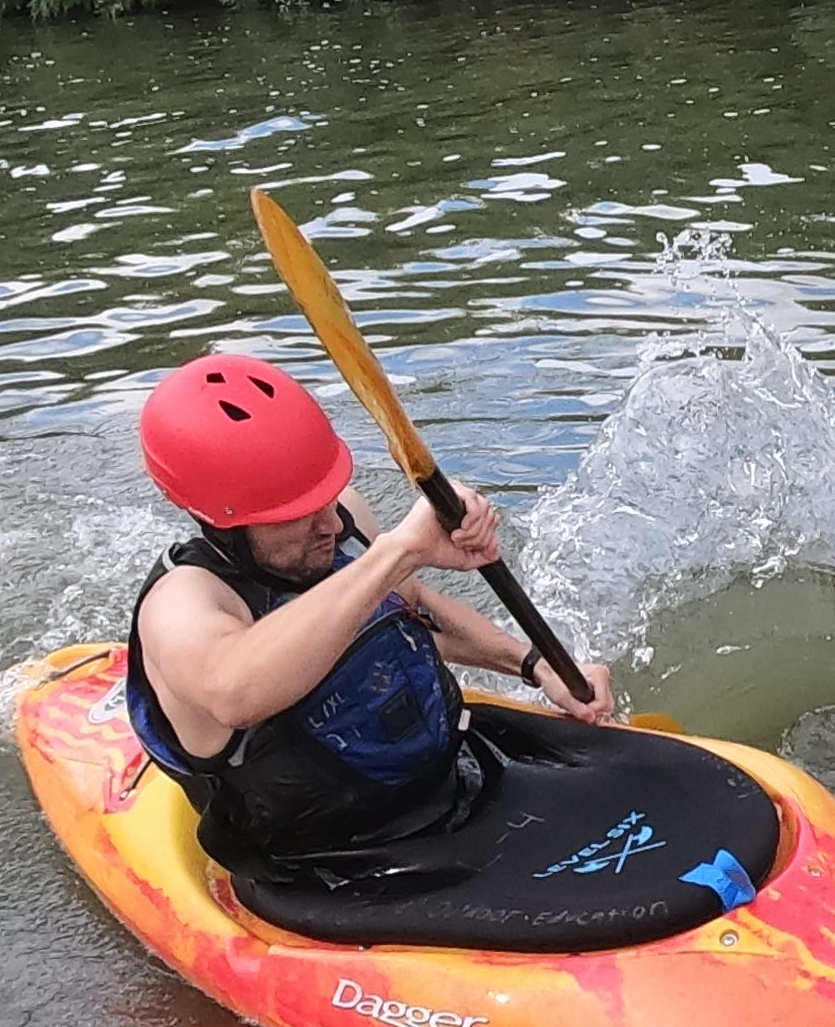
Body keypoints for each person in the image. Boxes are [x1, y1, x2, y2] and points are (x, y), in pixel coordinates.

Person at [120, 352, 614, 877]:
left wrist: (538, 666)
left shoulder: (342, 520)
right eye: (297, 516)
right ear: (222, 519)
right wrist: (401, 549)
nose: (331, 525)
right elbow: (236, 692)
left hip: (455, 783)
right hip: (329, 862)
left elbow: (416, 609)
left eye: (327, 496)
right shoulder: (184, 603)